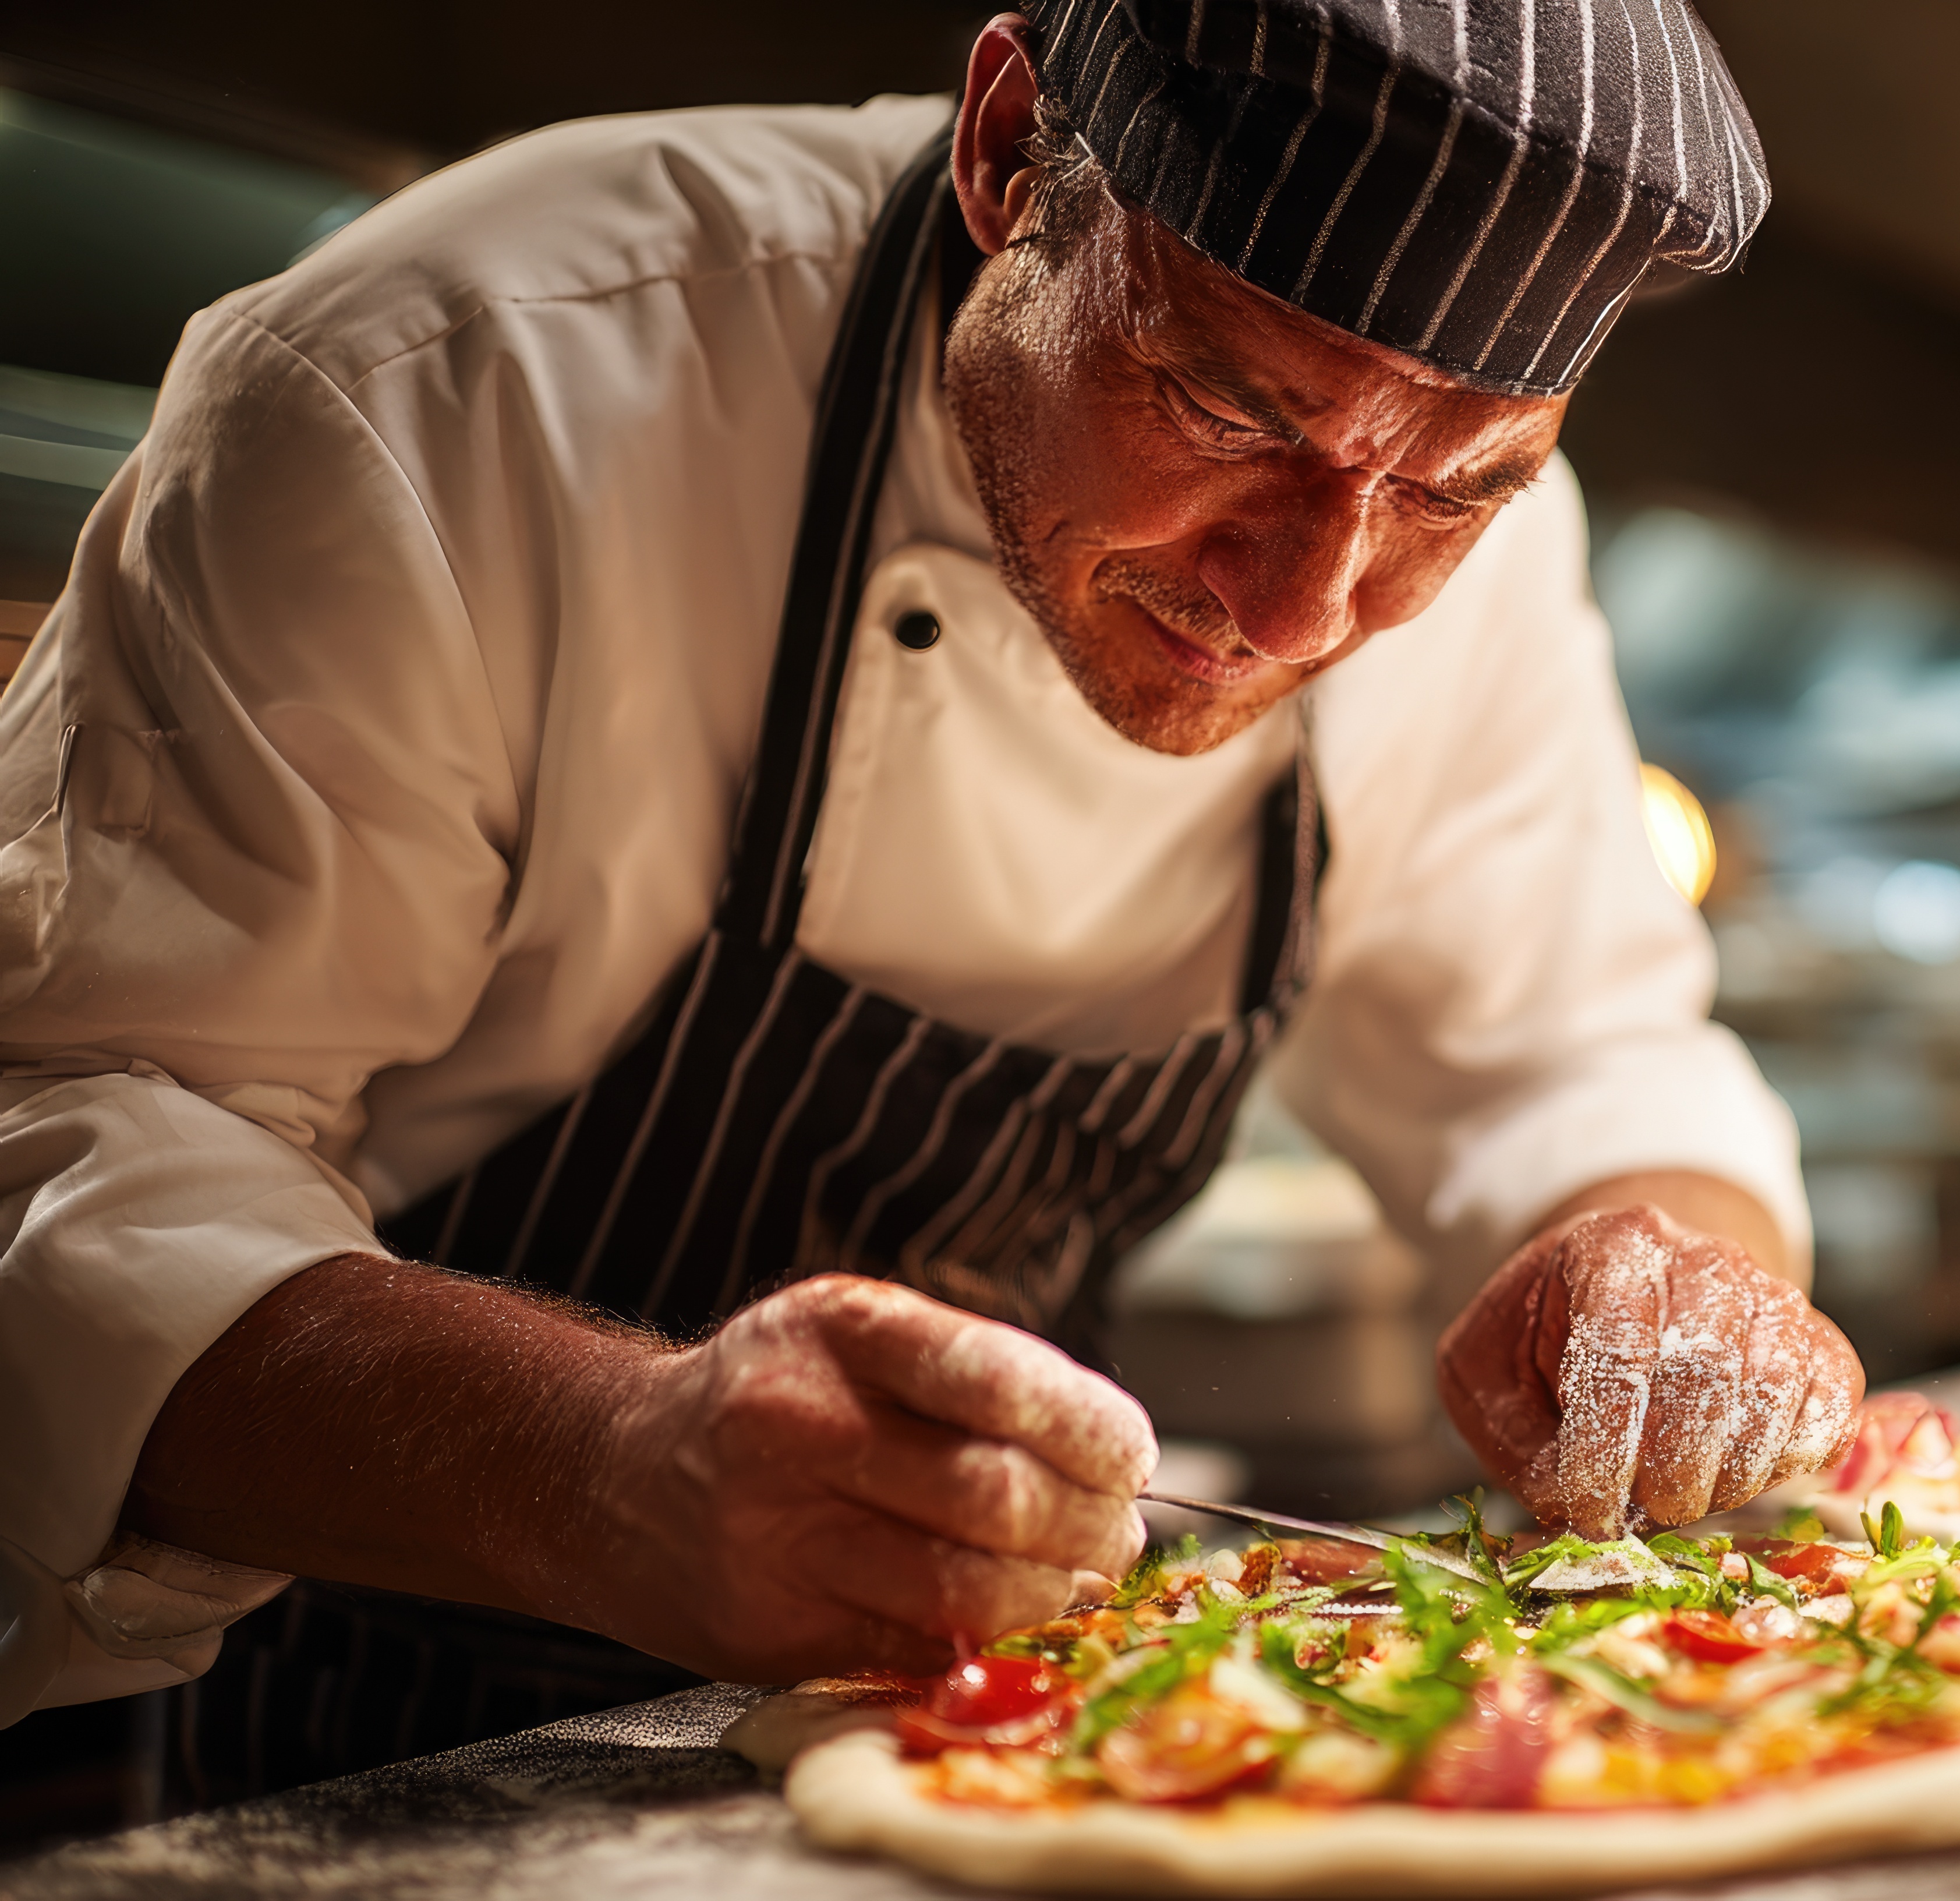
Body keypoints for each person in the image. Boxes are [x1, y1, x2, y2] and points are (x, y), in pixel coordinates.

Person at [0, 0, 1864, 1798]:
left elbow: (1575, 1066)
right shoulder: (459, 381)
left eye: (1455, 497)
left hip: (1011, 1742)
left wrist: (1661, 1270)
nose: (1309, 607)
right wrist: (611, 1463)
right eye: (1227, 410)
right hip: (384, 1729)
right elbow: (74, 1145)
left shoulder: (1469, 549)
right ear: (1005, 150)